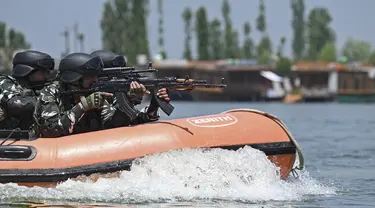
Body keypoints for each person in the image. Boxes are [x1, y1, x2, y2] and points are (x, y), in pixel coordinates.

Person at [32, 52, 170, 138]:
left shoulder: (94, 94)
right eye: (90, 76)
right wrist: (84, 106)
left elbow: (114, 125)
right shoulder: (51, 93)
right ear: (74, 78)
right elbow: (51, 129)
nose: (96, 80)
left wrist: (134, 101)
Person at [90, 50, 170, 124]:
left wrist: (154, 106)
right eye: (116, 75)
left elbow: (136, 120)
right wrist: (129, 99)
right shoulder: (93, 99)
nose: (122, 78)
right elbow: (113, 125)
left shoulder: (113, 98)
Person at [0, 50, 55, 130]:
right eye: (43, 72)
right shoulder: (4, 82)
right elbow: (17, 104)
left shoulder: (35, 89)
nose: (47, 75)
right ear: (29, 71)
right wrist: (48, 103)